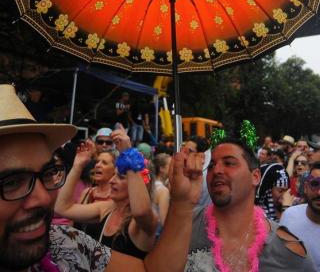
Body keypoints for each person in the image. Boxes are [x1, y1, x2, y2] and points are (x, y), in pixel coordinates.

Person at [0, 84, 204, 272]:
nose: (43, 198)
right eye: (12, 183)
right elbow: (64, 208)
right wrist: (79, 164)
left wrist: (183, 203)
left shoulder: (64, 244)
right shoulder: (103, 208)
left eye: (47, 173)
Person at [186, 139, 316, 271]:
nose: (217, 170)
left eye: (229, 163)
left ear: (255, 177)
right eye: (211, 165)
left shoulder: (288, 251)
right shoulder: (184, 225)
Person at [55, 137, 157, 258]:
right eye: (114, 175)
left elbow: (141, 212)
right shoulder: (107, 209)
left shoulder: (144, 221)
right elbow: (62, 208)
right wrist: (78, 165)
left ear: (139, 184)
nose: (112, 181)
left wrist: (129, 154)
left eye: (121, 177)